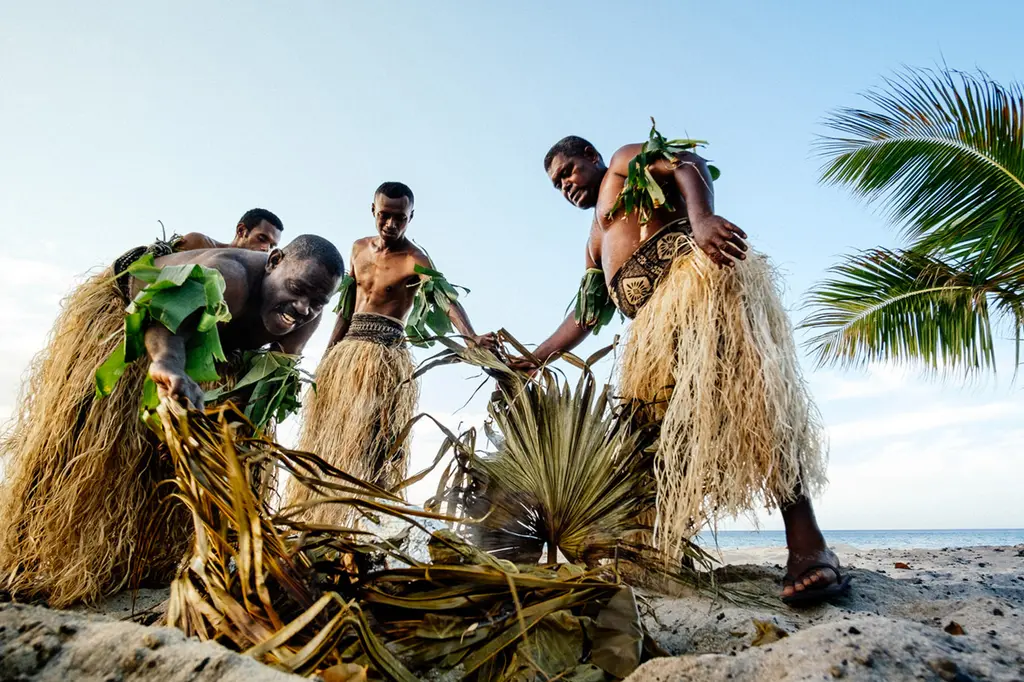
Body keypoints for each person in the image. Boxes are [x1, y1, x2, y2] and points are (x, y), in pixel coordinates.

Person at [510, 135, 848, 606]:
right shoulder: (593, 242)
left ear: (591, 156)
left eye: (568, 171)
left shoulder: (622, 165)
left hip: (698, 292)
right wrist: (536, 357)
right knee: (653, 439)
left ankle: (809, 548)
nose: (566, 185)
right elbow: (587, 313)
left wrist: (702, 218)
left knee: (757, 410)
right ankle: (665, 549)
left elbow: (685, 162)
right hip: (652, 332)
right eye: (556, 184)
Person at [0, 225, 338, 607]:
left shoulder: (306, 317)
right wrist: (167, 362)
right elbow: (162, 316)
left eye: (317, 301)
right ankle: (29, 552)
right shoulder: (229, 275)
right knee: (90, 444)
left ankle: (150, 563)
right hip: (131, 312)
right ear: (274, 262)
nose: (303, 308)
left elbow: (269, 379)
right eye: (296, 289)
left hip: (201, 342)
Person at [286, 182, 492, 525]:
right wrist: (328, 356)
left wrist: (470, 337)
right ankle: (316, 516)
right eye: (384, 215)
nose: (391, 224)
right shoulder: (357, 249)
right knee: (329, 436)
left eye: (400, 218)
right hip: (347, 355)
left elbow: (445, 298)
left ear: (411, 217)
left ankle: (370, 519)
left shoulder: (415, 259)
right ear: (373, 210)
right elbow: (345, 308)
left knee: (376, 442)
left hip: (385, 358)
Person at [176, 207, 284, 252]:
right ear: (241, 231)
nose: (266, 249)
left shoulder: (257, 278)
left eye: (271, 246)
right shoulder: (200, 243)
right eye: (262, 239)